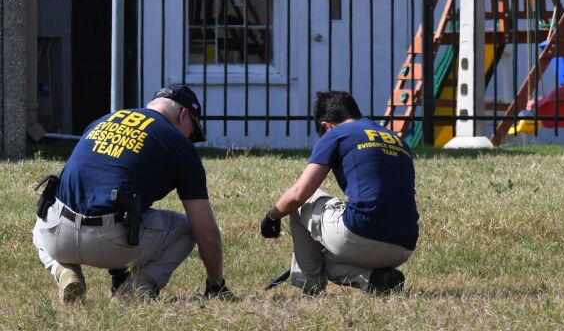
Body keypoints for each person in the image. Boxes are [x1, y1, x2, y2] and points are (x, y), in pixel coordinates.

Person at [32, 85, 231, 302]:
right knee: (188, 228)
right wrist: (216, 284)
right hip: (112, 242)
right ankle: (139, 286)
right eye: (192, 132)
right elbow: (207, 233)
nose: (190, 139)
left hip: (57, 236)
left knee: (41, 223)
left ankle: (64, 271)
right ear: (183, 115)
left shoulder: (104, 120)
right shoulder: (179, 145)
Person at [260, 91, 419, 295]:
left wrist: (272, 216)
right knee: (324, 261)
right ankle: (377, 279)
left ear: (326, 125)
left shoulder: (336, 134)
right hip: (403, 245)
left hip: (361, 233)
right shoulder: (396, 139)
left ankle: (311, 285)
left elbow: (298, 194)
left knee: (303, 201)